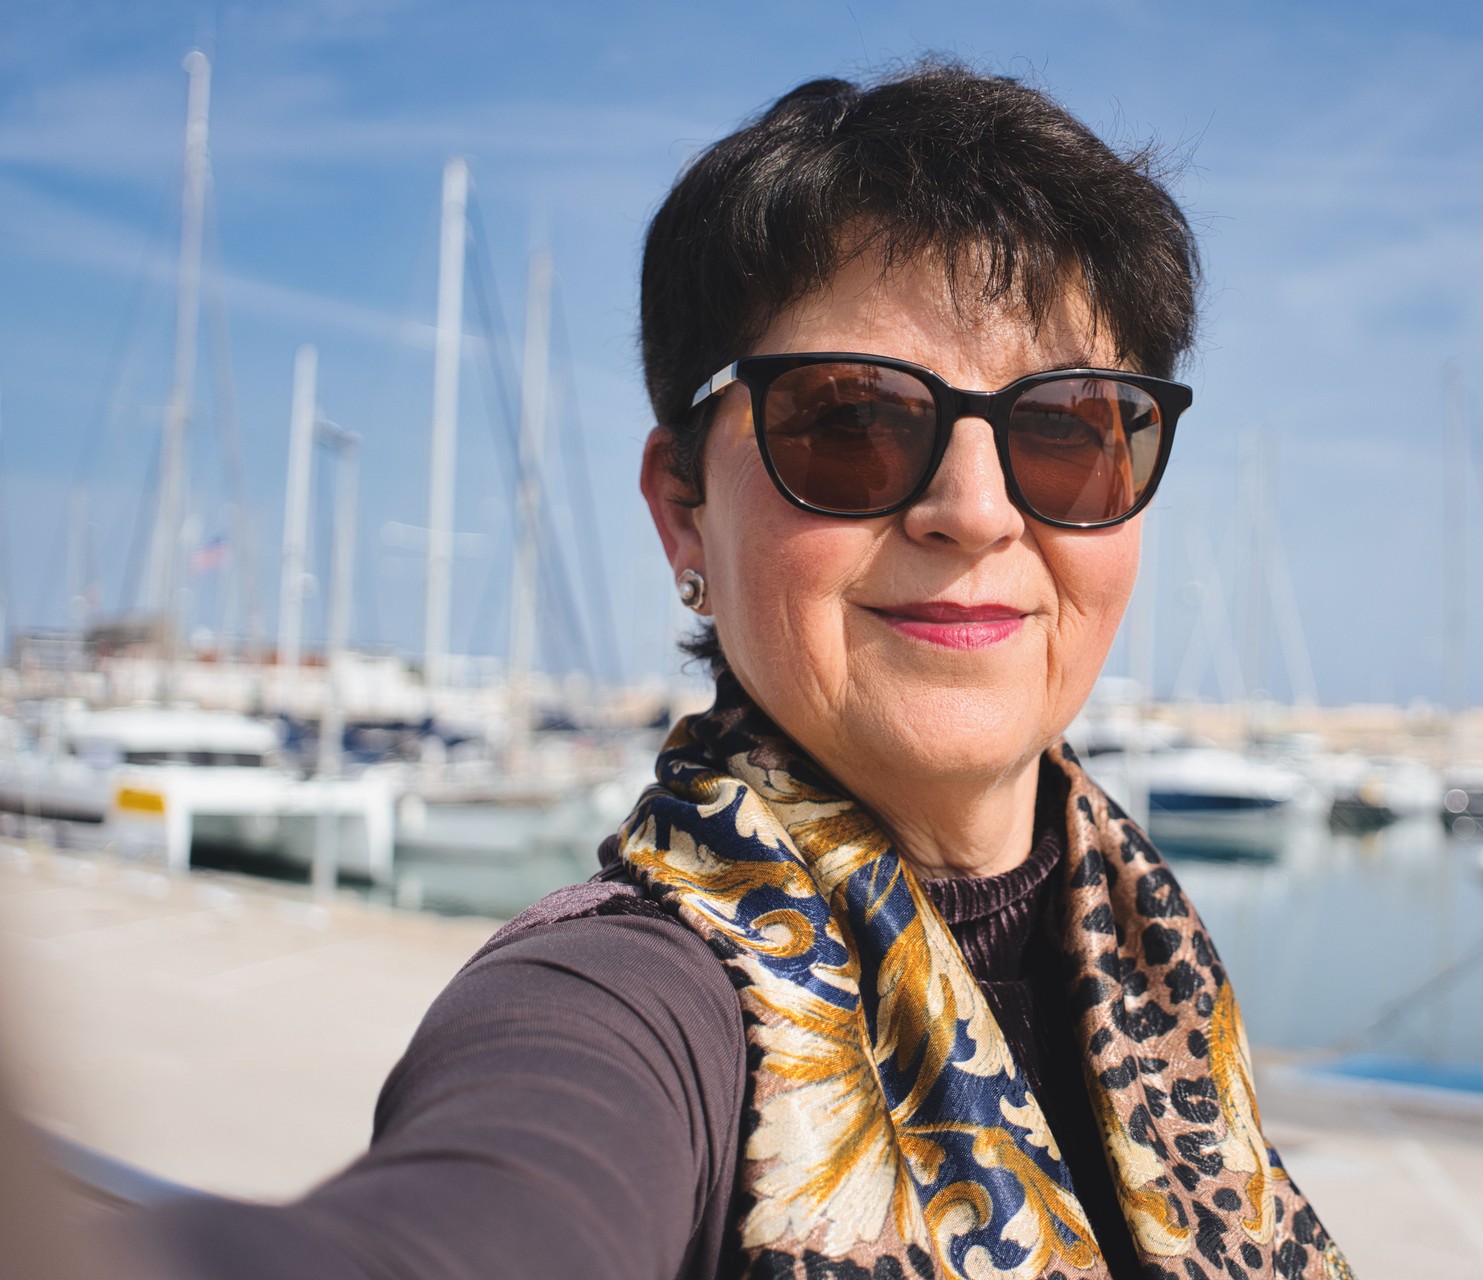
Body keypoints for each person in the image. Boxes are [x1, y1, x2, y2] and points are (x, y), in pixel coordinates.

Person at [127, 62, 1352, 1280]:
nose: (976, 512)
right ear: (683, 508)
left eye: (1067, 429)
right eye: (855, 421)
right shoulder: (631, 1000)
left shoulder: (1147, 960)